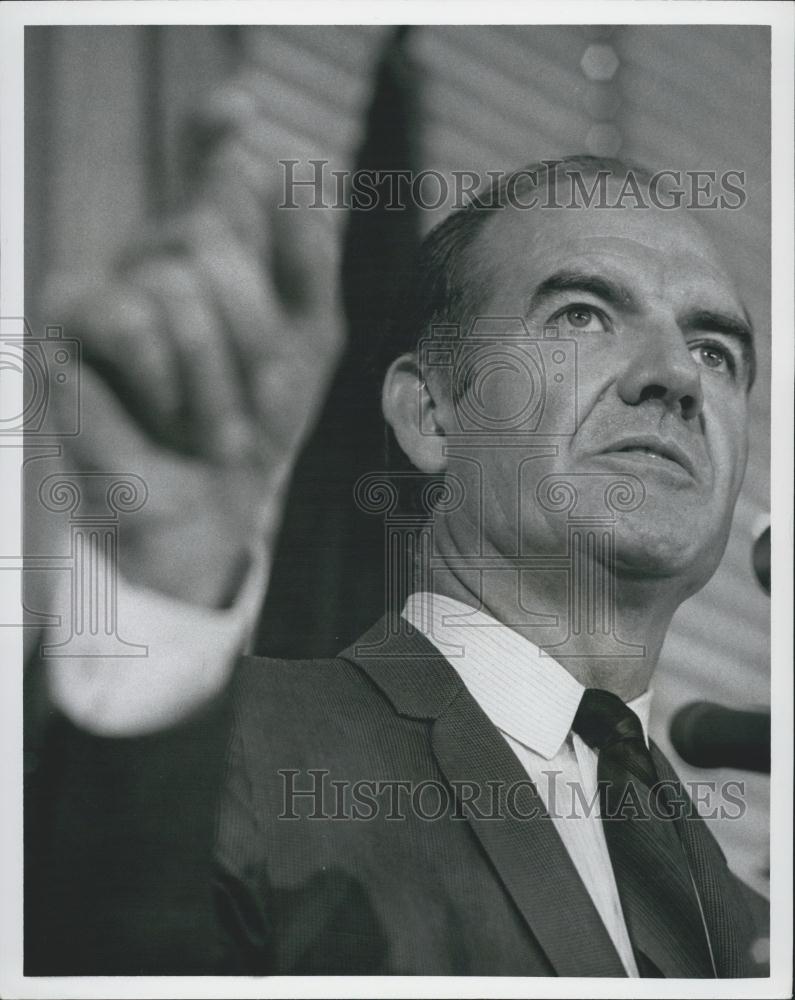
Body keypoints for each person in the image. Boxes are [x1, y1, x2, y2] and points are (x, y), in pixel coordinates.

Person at [26, 156, 762, 976]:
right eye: (582, 316)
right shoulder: (230, 753)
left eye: (714, 350)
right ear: (428, 414)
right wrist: (159, 602)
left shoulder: (750, 928)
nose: (674, 377)